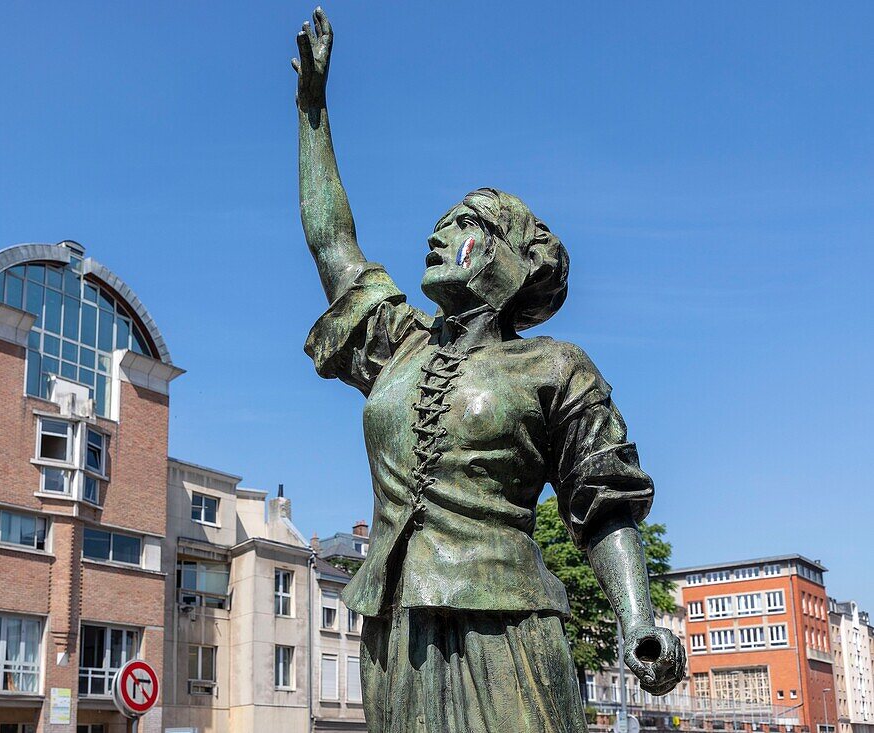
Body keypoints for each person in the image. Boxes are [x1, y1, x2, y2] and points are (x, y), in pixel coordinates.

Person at [292, 8, 686, 733]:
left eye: (465, 223)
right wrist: (313, 115)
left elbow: (604, 503)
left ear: (509, 258)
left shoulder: (555, 365)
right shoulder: (397, 344)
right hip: (397, 628)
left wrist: (638, 619)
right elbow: (333, 242)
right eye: (441, 223)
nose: (439, 233)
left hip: (506, 627)